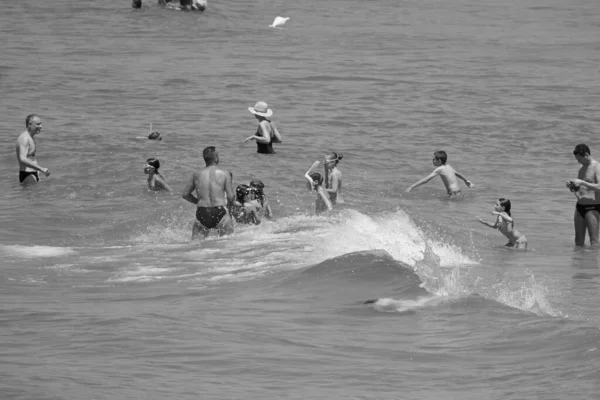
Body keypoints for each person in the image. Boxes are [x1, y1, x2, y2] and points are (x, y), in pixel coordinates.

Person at [181, 146, 234, 239]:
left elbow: (185, 195)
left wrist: (198, 202)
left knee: (196, 246)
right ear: (216, 157)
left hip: (202, 212)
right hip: (220, 210)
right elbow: (231, 197)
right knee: (227, 245)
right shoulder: (225, 173)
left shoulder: (196, 174)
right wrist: (230, 213)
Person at [566, 144, 600, 247]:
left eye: (579, 159)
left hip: (592, 207)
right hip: (579, 207)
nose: (578, 161)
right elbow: (581, 188)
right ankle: (581, 263)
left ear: (586, 154)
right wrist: (572, 186)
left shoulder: (597, 166)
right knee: (578, 243)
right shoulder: (581, 169)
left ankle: (593, 262)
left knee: (594, 242)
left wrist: (582, 182)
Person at [406, 150, 474, 196]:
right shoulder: (449, 166)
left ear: (439, 161)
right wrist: (466, 181)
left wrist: (412, 186)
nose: (432, 161)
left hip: (452, 194)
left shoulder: (439, 169)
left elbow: (425, 180)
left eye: (433, 159)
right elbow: (458, 174)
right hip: (458, 192)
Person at [16, 114, 51, 185]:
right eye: (38, 124)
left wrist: (37, 171)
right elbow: (23, 158)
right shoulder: (24, 138)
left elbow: (31, 158)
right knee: (32, 195)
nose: (41, 126)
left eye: (41, 124)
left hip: (32, 173)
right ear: (29, 125)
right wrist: (41, 169)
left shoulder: (30, 137)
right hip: (27, 174)